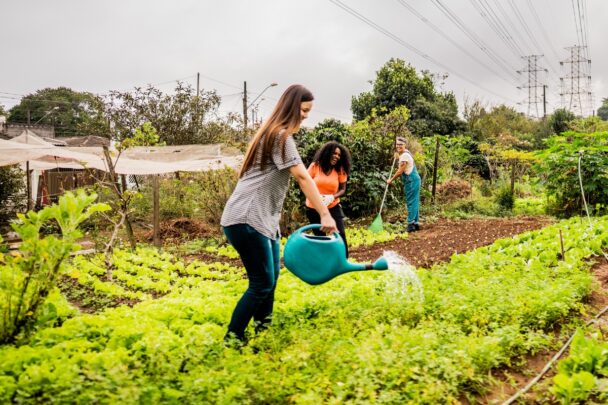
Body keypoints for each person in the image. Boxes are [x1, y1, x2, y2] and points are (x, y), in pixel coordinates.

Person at [220, 84, 337, 344]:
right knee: (261, 283)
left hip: (262, 221)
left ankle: (263, 336)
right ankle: (232, 340)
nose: (306, 116)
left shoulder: (273, 135)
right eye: (304, 110)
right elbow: (303, 177)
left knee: (270, 281)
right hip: (247, 218)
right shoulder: (280, 136)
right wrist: (325, 215)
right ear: (291, 106)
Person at [305, 141, 352, 257]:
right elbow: (305, 183)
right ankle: (326, 262)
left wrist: (332, 197)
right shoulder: (315, 166)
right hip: (313, 208)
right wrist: (315, 196)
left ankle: (344, 261)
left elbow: (342, 189)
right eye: (334, 153)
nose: (336, 156)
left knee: (340, 235)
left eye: (339, 155)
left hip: (333, 206)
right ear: (327, 153)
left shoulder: (340, 170)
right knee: (321, 238)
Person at [387, 136, 421, 232]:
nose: (398, 146)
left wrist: (391, 180)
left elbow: (400, 171)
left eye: (400, 144)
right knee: (414, 201)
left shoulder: (405, 156)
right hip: (413, 180)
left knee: (411, 202)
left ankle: (410, 225)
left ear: (404, 145)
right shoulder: (405, 153)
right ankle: (416, 223)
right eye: (397, 144)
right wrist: (398, 157)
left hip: (411, 181)